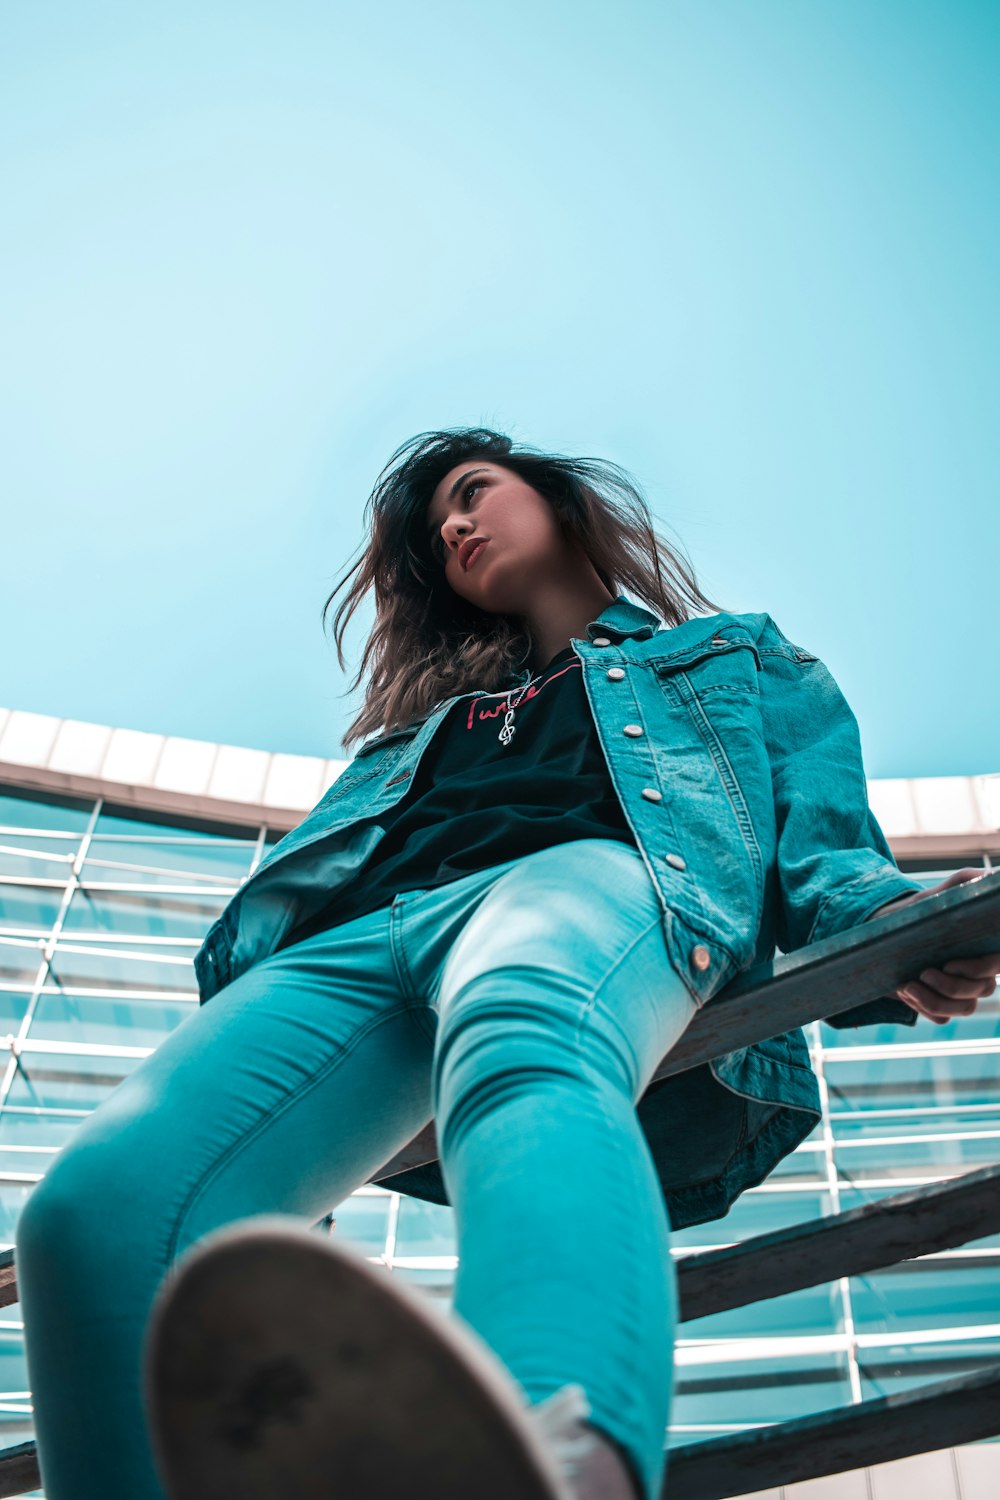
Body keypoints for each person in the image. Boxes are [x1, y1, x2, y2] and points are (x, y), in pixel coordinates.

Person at [15, 428, 999, 1500]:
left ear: (562, 504)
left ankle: (553, 1455)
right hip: (367, 941)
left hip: (594, 884)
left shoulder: (737, 657)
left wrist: (895, 926)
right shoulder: (412, 734)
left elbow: (825, 852)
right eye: (438, 528)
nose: (453, 525)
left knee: (524, 1023)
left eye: (474, 493)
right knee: (93, 1214)